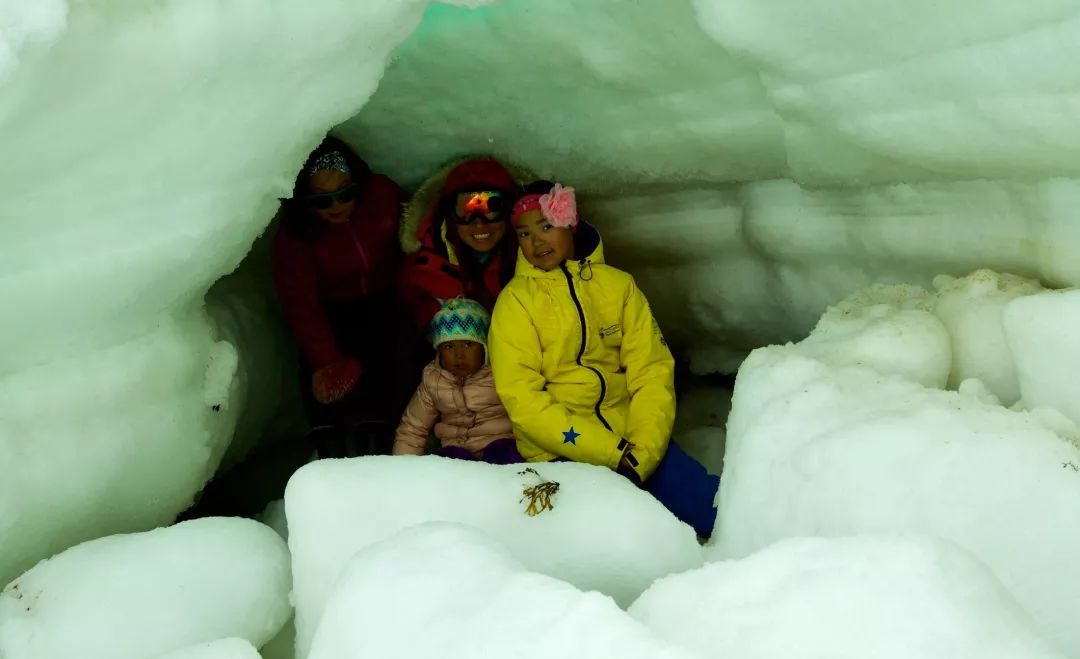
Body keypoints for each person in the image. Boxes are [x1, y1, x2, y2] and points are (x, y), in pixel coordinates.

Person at [489, 181, 720, 538]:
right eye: (524, 233)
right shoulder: (516, 302)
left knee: (713, 510)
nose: (536, 243)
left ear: (570, 223)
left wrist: (643, 449)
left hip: (632, 438)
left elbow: (651, 370)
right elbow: (523, 400)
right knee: (613, 541)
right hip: (561, 454)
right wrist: (607, 452)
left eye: (546, 227)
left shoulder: (618, 287)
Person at [272, 137, 405, 458]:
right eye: (322, 200)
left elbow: (416, 221)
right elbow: (301, 305)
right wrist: (327, 363)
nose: (336, 206)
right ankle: (329, 447)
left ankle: (377, 437)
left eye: (345, 194)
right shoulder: (296, 237)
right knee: (321, 366)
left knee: (385, 353)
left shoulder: (381, 198)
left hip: (386, 297)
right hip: (332, 309)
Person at [393, 298, 521, 464]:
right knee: (445, 466)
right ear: (438, 351)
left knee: (507, 459)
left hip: (499, 443)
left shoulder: (500, 373)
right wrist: (403, 469)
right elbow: (412, 428)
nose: (459, 355)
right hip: (456, 450)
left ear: (485, 347)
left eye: (468, 344)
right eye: (449, 346)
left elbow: (525, 411)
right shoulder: (433, 380)